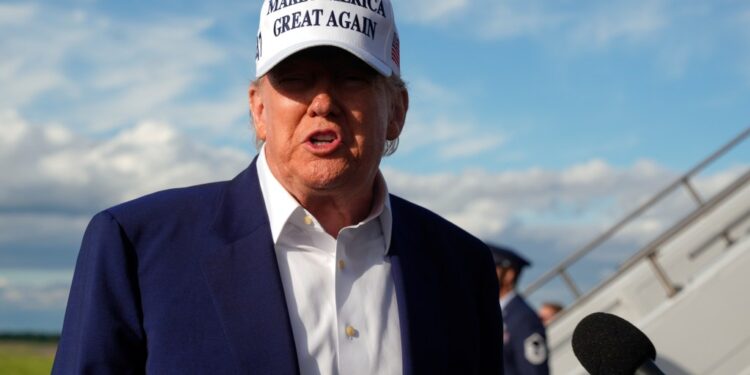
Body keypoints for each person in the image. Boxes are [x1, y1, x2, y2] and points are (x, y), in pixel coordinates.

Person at [52, 1, 503, 374]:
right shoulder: (137, 246)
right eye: (295, 79)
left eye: (351, 77)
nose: (323, 103)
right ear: (259, 110)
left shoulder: (461, 267)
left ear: (397, 110)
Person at [488, 243, 550, 375]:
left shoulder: (523, 318)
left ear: (509, 275)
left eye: (491, 268)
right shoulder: (494, 312)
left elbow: (534, 371)